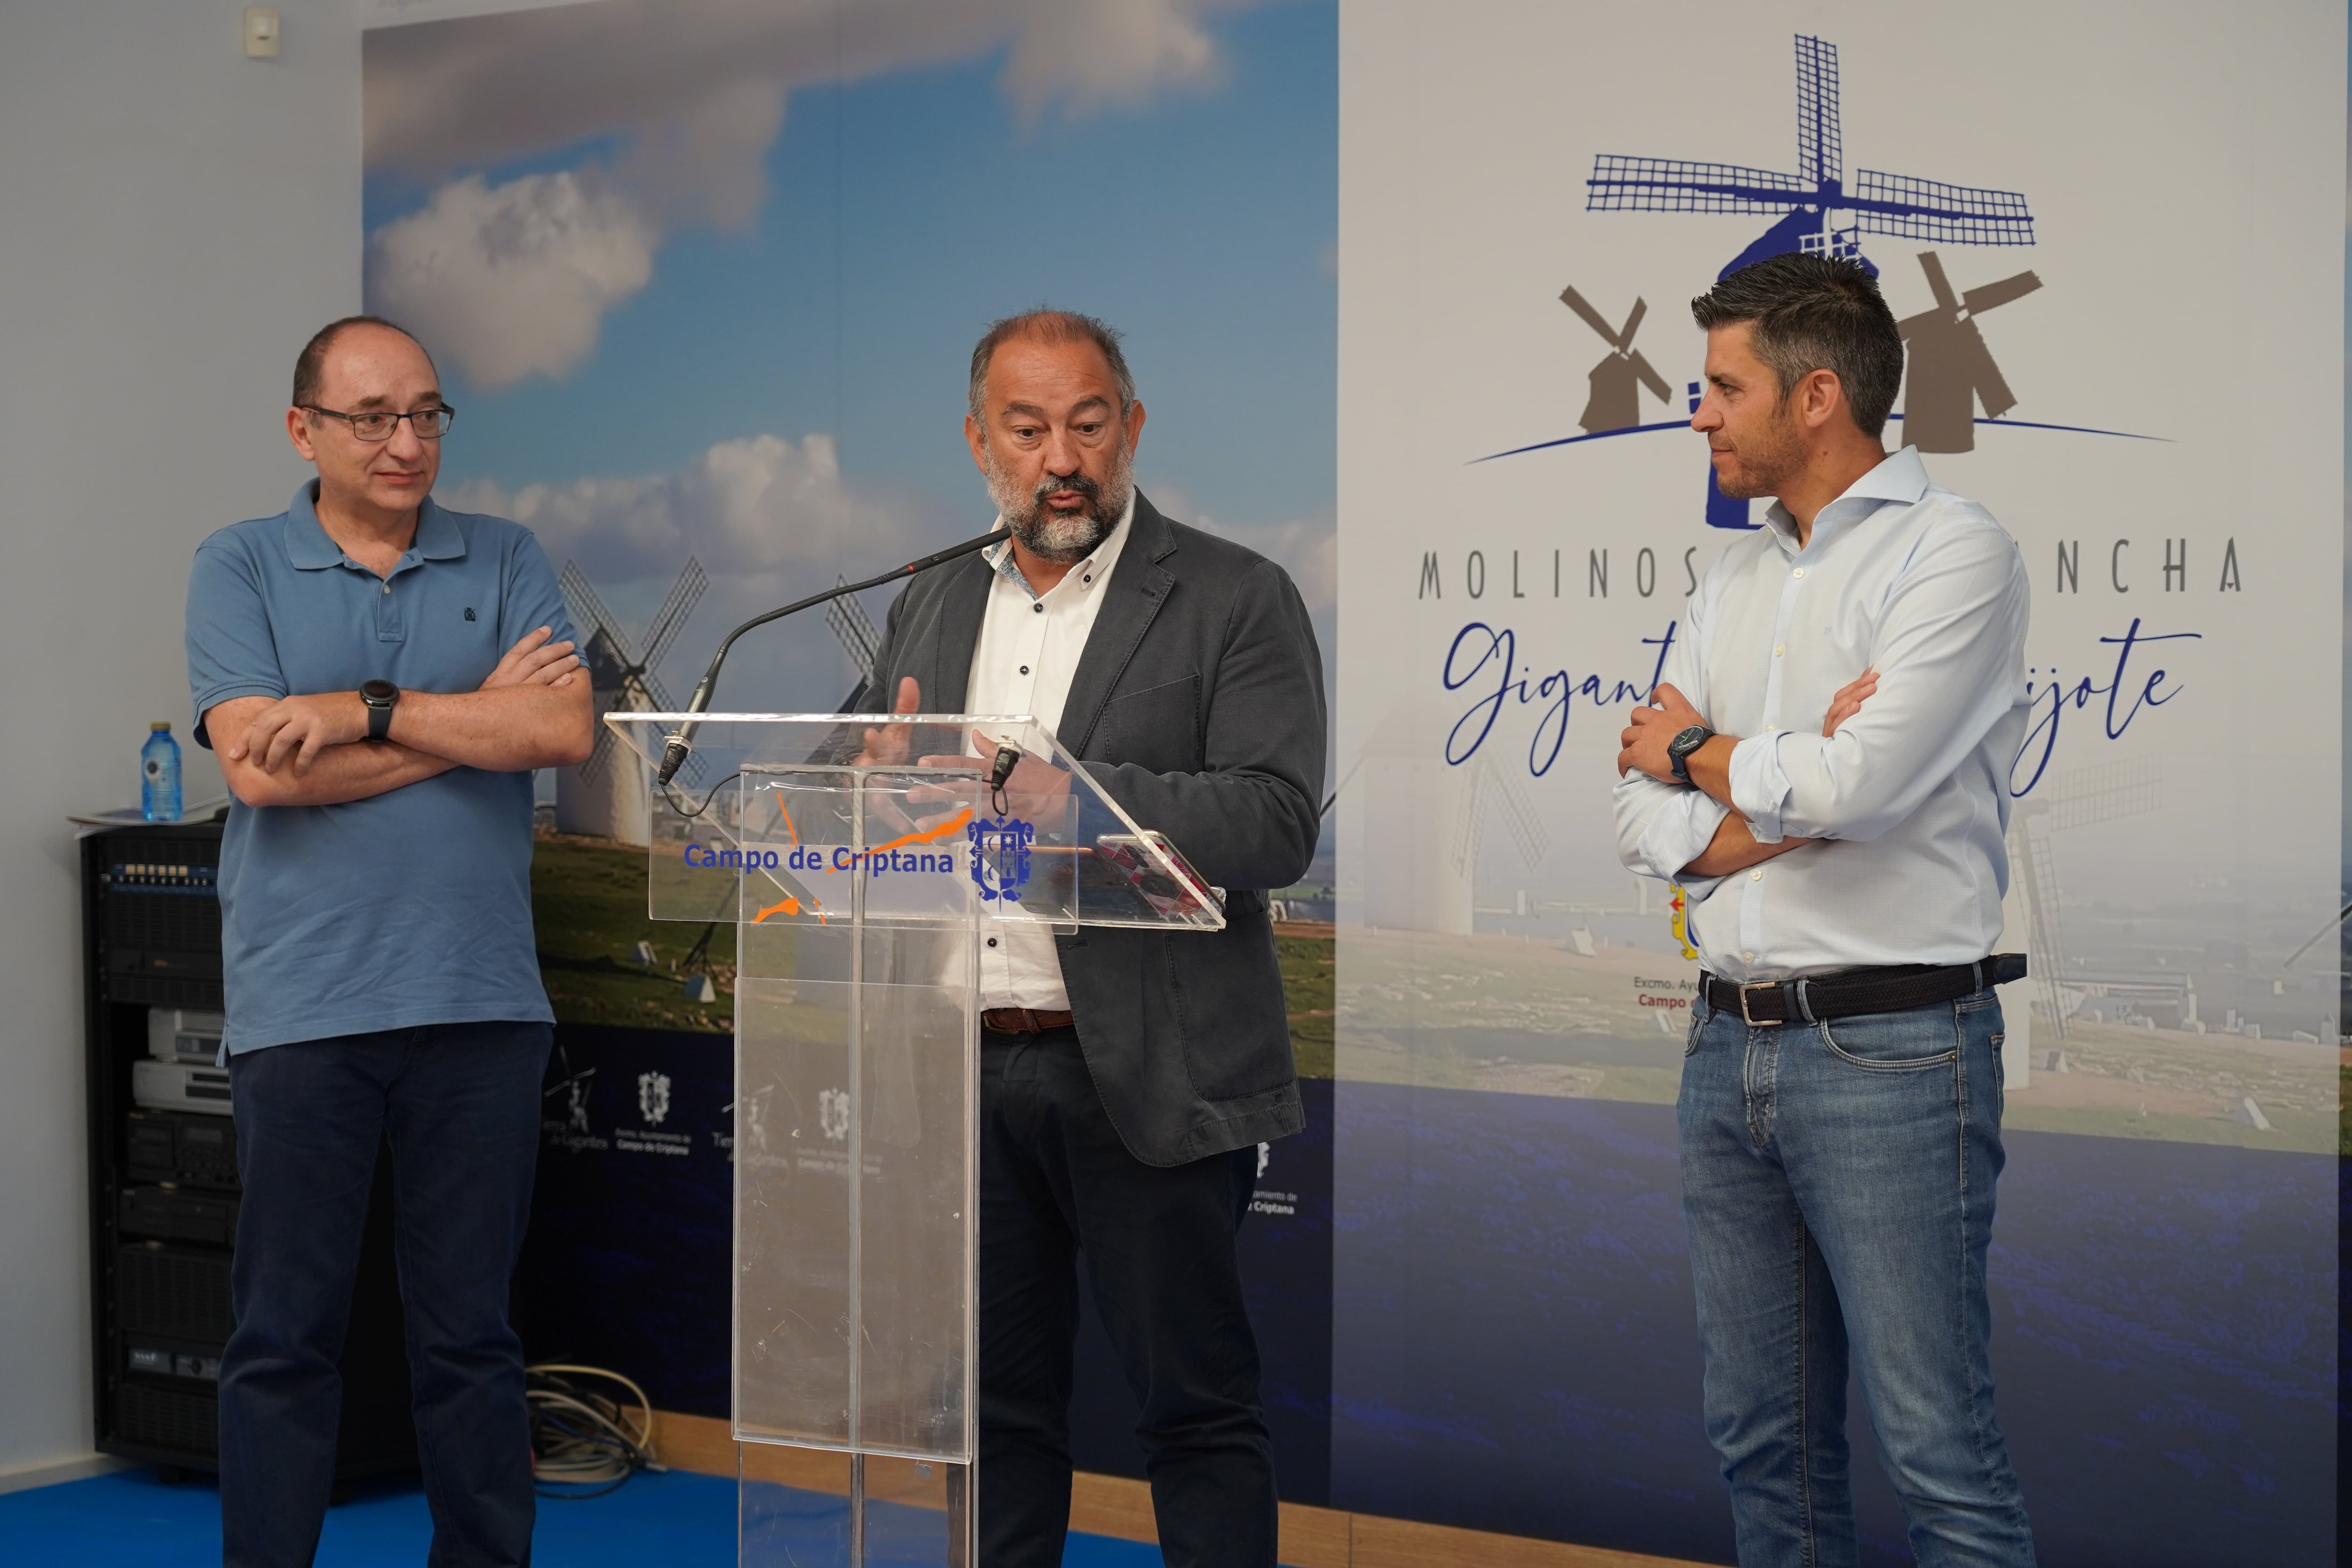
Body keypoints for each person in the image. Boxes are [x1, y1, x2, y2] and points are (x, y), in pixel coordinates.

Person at [850, 310, 1325, 1567]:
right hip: (964, 1064)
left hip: (1144, 1071)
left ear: (1133, 429)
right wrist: (873, 783)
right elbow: (855, 768)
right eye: (1028, 428)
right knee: (995, 1417)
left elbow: (1278, 822)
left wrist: (1078, 793)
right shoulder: (931, 602)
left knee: (1196, 1413)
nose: (1063, 455)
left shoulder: (1234, 597)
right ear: (977, 445)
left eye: (1089, 422)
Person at [1612, 254, 2036, 1568]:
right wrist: (1779, 770)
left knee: (1941, 1465)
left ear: (1813, 398)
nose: (1698, 414)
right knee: (1764, 1450)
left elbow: (1860, 781)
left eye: (1720, 387)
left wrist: (1701, 753)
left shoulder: (1954, 553)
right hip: (1720, 1046)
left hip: (1894, 1054)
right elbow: (1644, 831)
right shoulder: (1727, 583)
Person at [185, 315, 594, 1568]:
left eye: (425, 413)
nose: (406, 441)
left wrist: (360, 711)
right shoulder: (242, 562)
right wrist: (473, 718)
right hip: (305, 1007)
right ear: (303, 428)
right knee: (285, 1337)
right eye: (372, 418)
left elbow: (564, 734)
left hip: (481, 1005)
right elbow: (260, 774)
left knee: (470, 1337)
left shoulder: (508, 554)